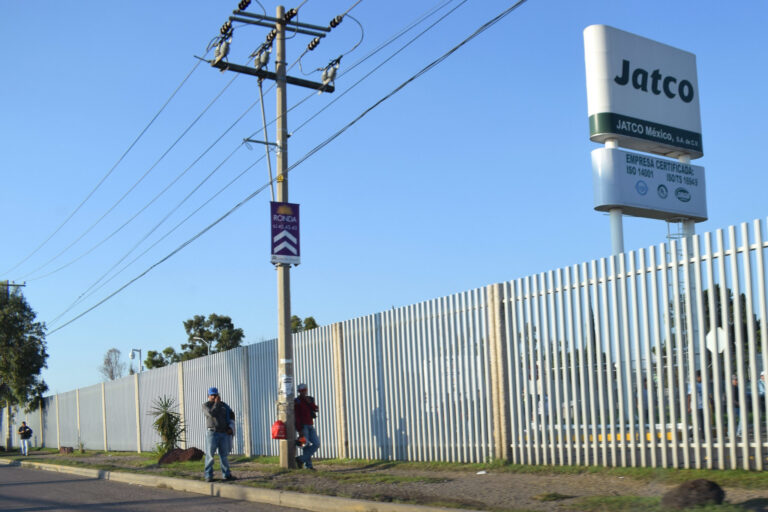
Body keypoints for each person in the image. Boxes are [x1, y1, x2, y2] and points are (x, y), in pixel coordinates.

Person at [202, 387, 236, 482]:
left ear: (218, 395)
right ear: (208, 396)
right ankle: (208, 475)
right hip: (212, 433)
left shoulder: (224, 405)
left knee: (224, 456)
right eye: (211, 395)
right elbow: (211, 414)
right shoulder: (206, 406)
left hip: (223, 434)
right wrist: (217, 403)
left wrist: (230, 427)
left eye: (215, 395)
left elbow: (231, 414)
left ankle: (226, 475)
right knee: (210, 455)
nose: (213, 397)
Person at [294, 383, 319, 470]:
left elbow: (316, 409)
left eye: (304, 390)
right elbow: (296, 416)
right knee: (306, 445)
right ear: (298, 391)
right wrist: (299, 429)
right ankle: (308, 466)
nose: (303, 392)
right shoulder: (297, 401)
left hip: (310, 425)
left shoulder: (310, 399)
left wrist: (310, 403)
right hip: (303, 426)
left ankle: (300, 459)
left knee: (316, 443)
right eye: (301, 391)